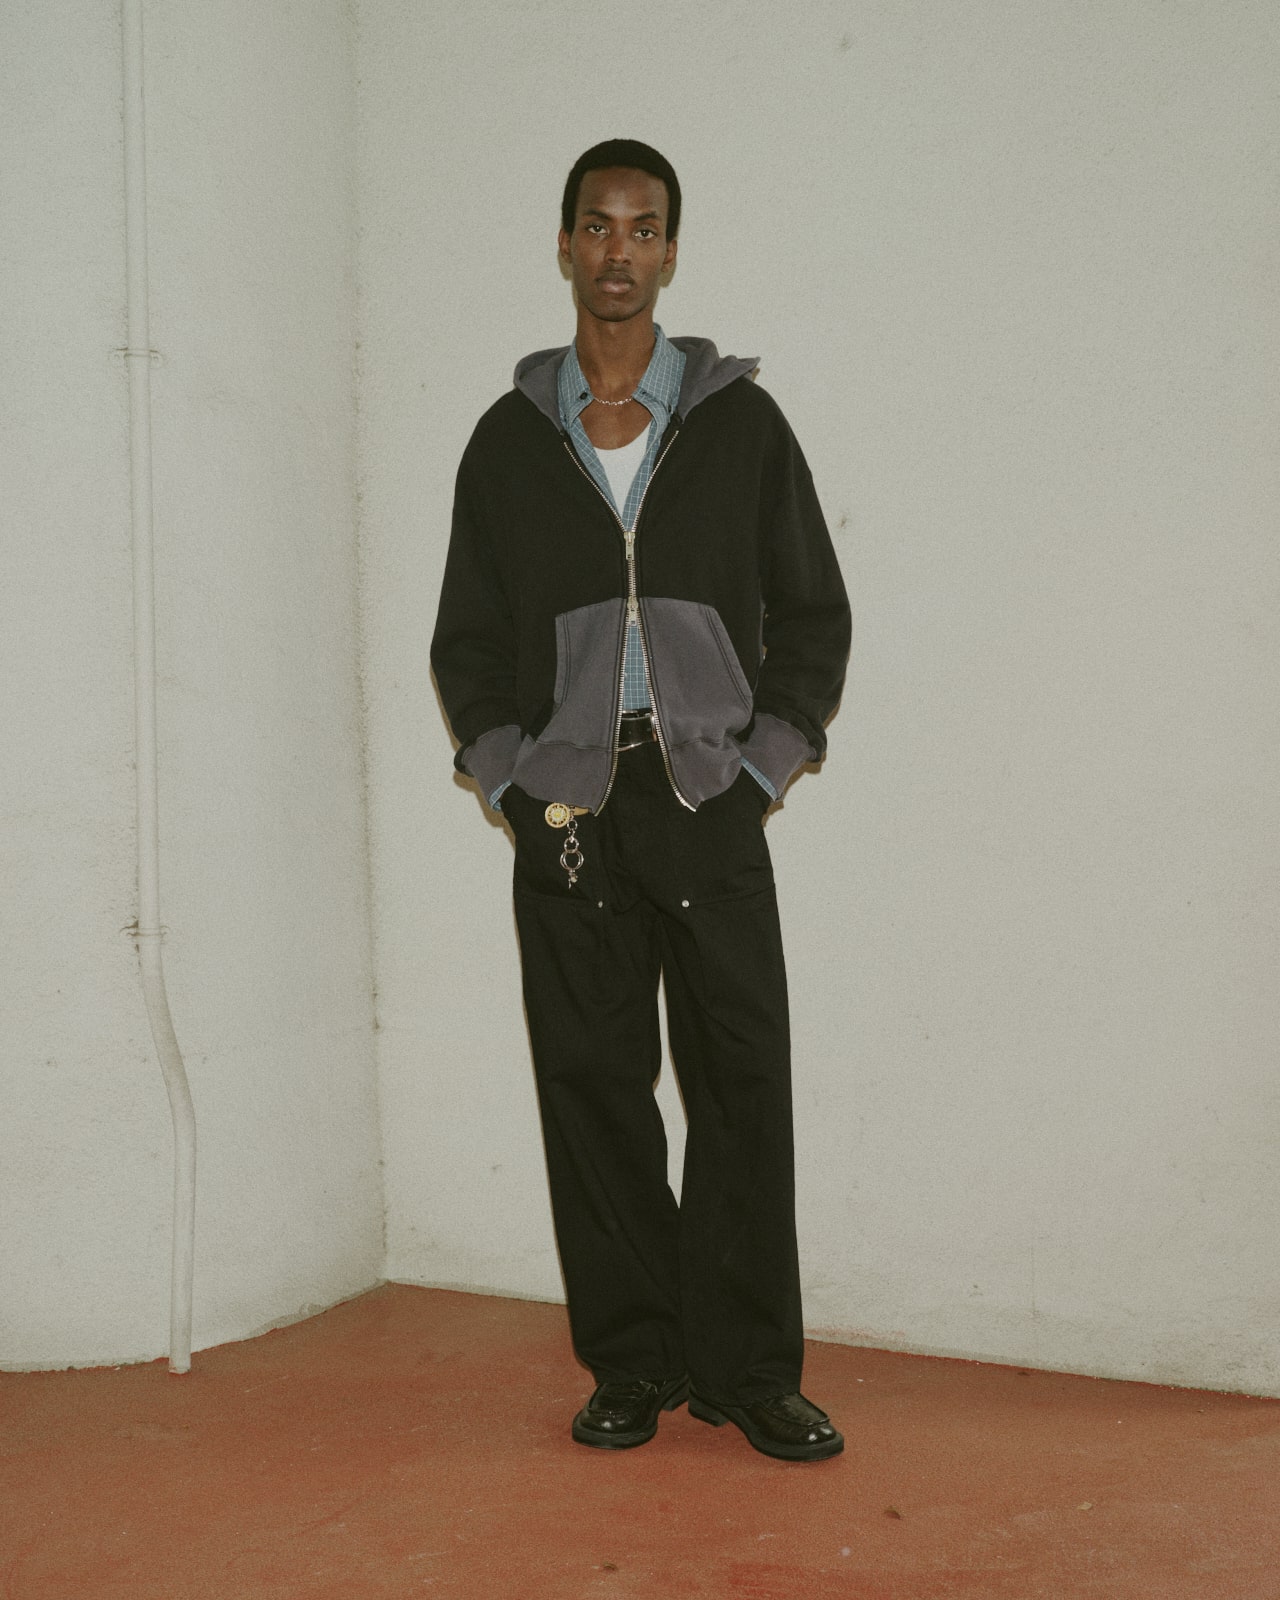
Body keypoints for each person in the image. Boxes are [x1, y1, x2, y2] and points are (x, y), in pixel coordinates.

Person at [430, 139, 851, 1462]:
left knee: (741, 1083)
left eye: (645, 227)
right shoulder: (508, 443)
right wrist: (509, 777)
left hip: (705, 795)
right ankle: (633, 1362)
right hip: (567, 812)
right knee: (592, 1087)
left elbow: (814, 614)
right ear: (565, 245)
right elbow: (466, 641)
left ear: (670, 252)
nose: (620, 251)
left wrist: (764, 766)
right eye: (598, 226)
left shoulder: (740, 427)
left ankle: (750, 1373)